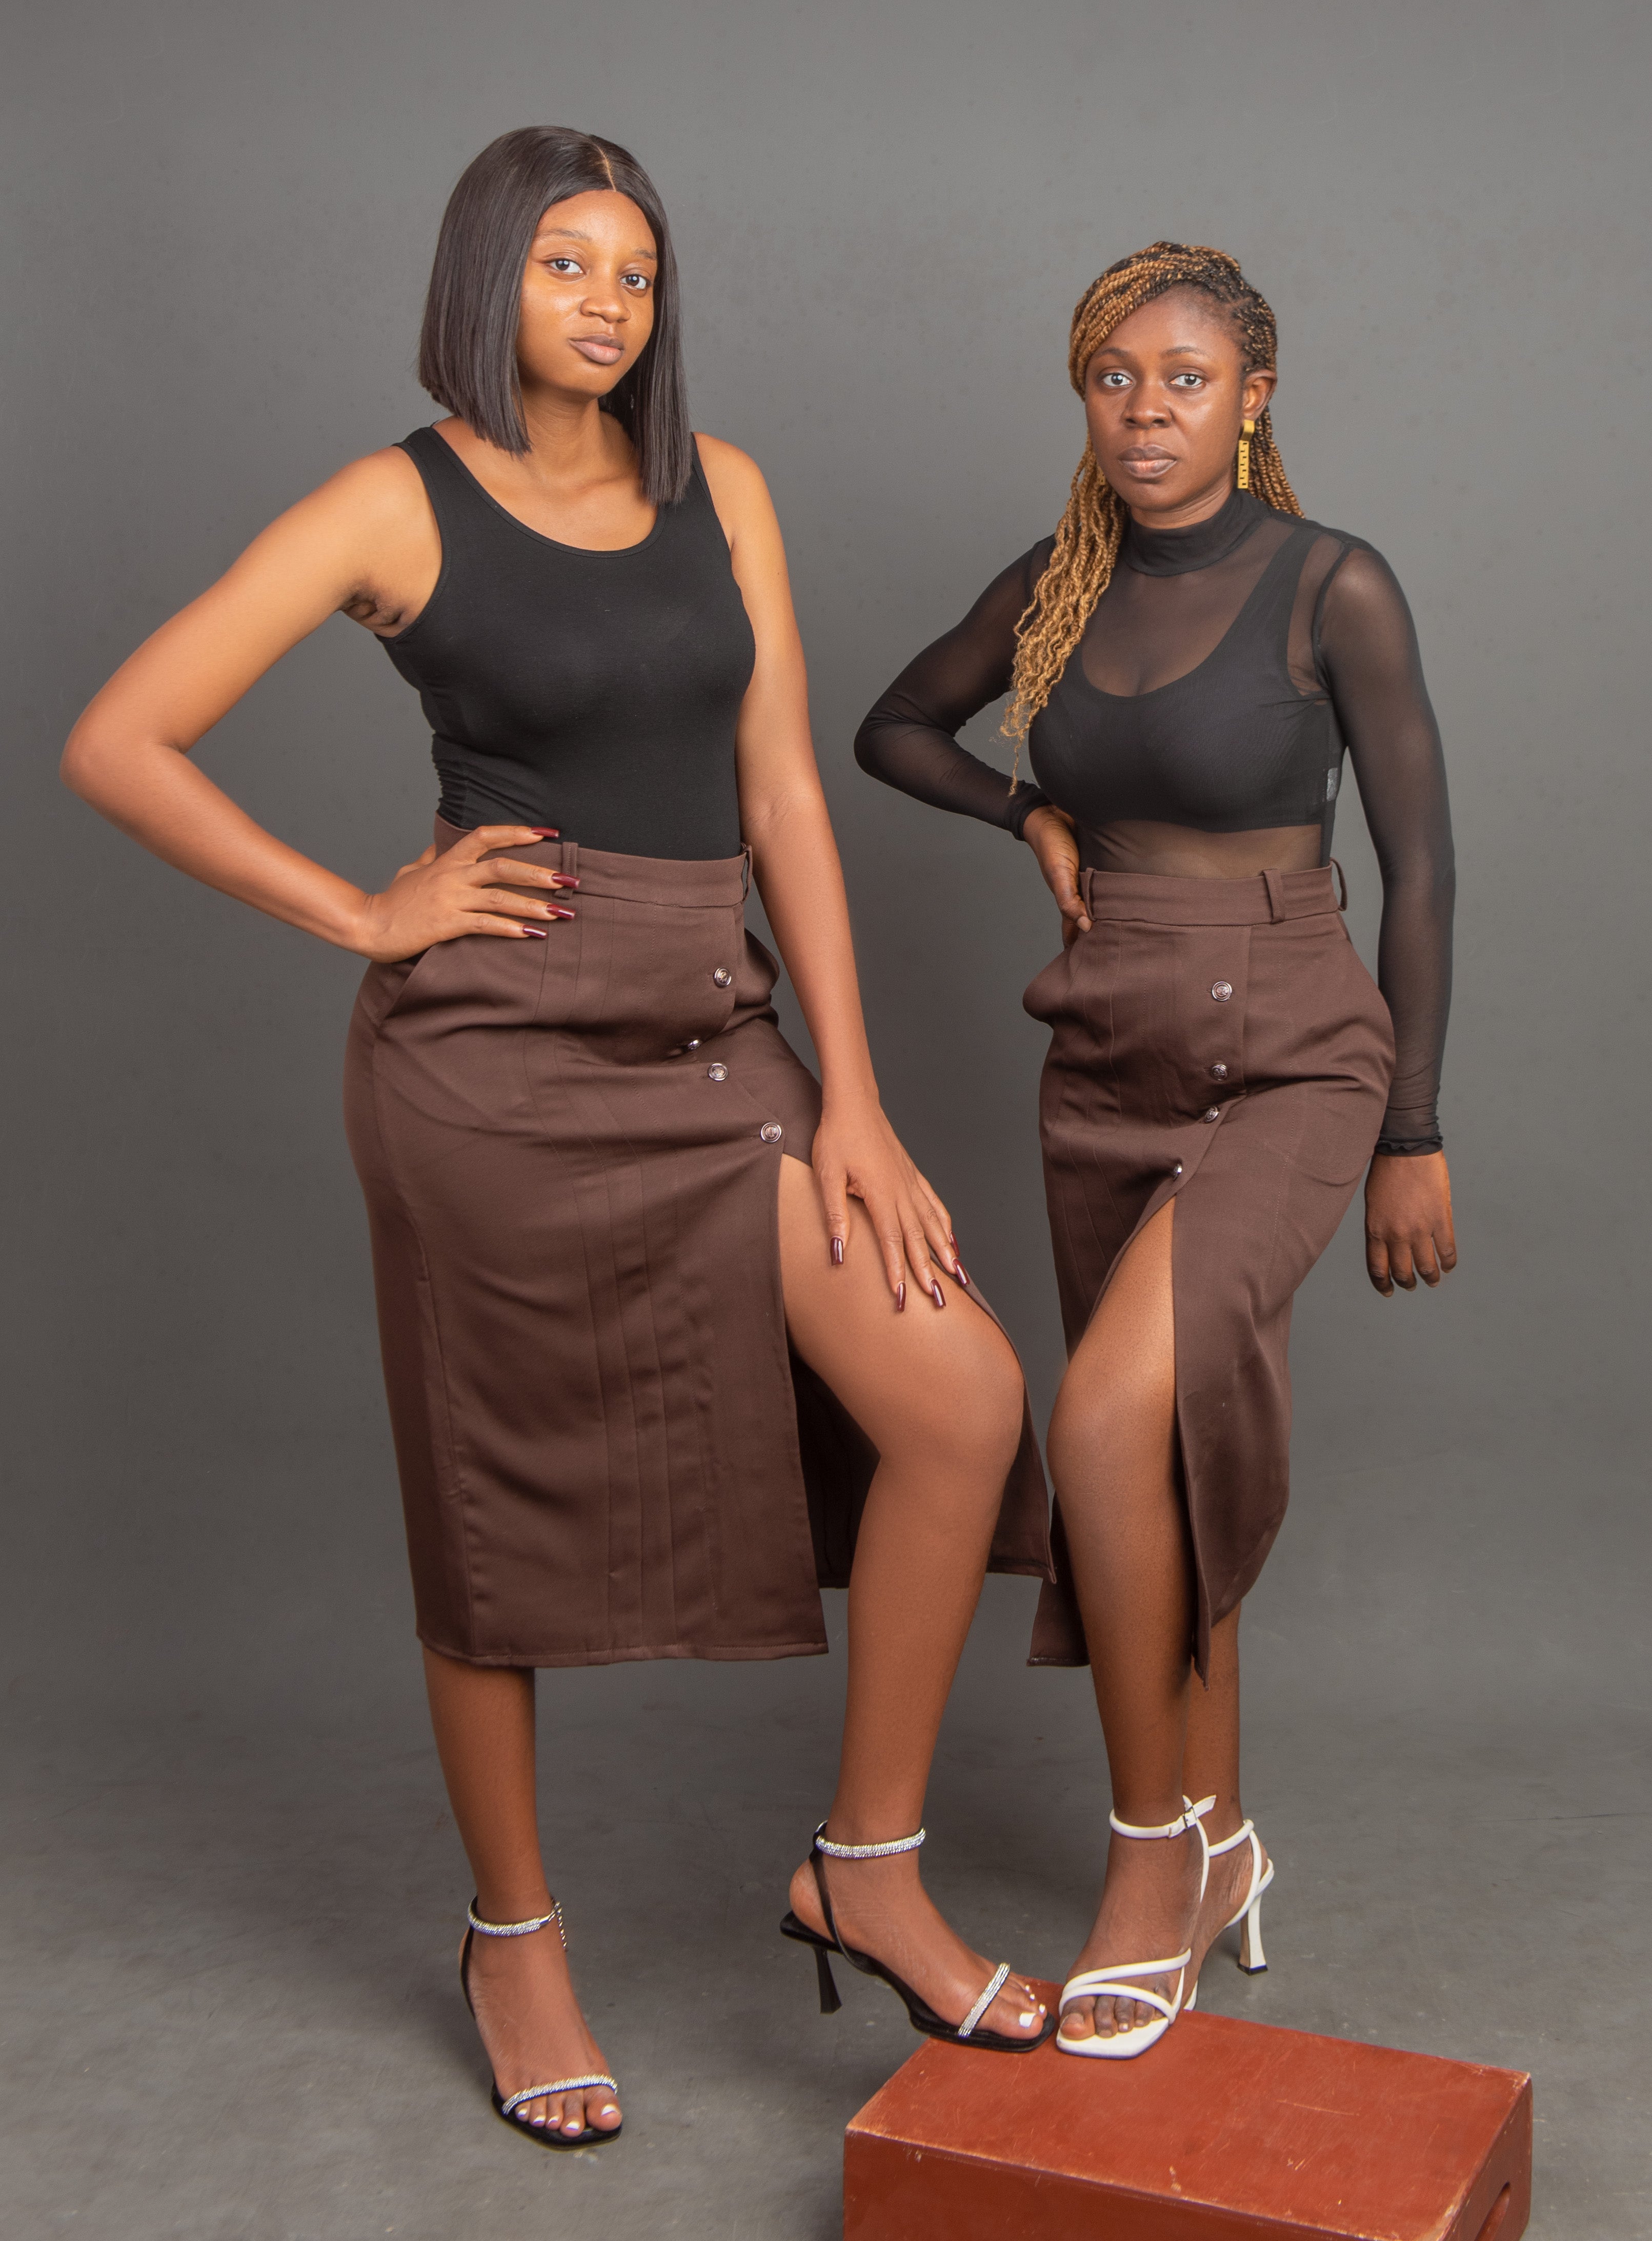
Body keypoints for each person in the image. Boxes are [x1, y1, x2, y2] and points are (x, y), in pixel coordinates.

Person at [61, 126, 1056, 2147]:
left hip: (713, 1035)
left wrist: (856, 1099)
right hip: (489, 1069)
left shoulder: (722, 488)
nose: (610, 304)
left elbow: (783, 796)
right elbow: (118, 737)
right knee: (489, 1499)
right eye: (566, 264)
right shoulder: (393, 501)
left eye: (637, 271)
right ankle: (512, 1932)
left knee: (958, 1394)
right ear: (485, 277)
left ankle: (867, 1866)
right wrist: (363, 910)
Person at [855, 241, 1457, 2060]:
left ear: (1253, 395)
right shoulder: (1058, 581)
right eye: (1113, 379)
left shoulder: (1333, 583)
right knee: (1163, 1456)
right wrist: (1027, 810)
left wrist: (1413, 1128)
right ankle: (1229, 1828)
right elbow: (892, 728)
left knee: (1112, 1415)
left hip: (1294, 1050)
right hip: (1106, 1053)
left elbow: (1422, 865)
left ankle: (1153, 1862)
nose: (1145, 412)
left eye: (1184, 379)